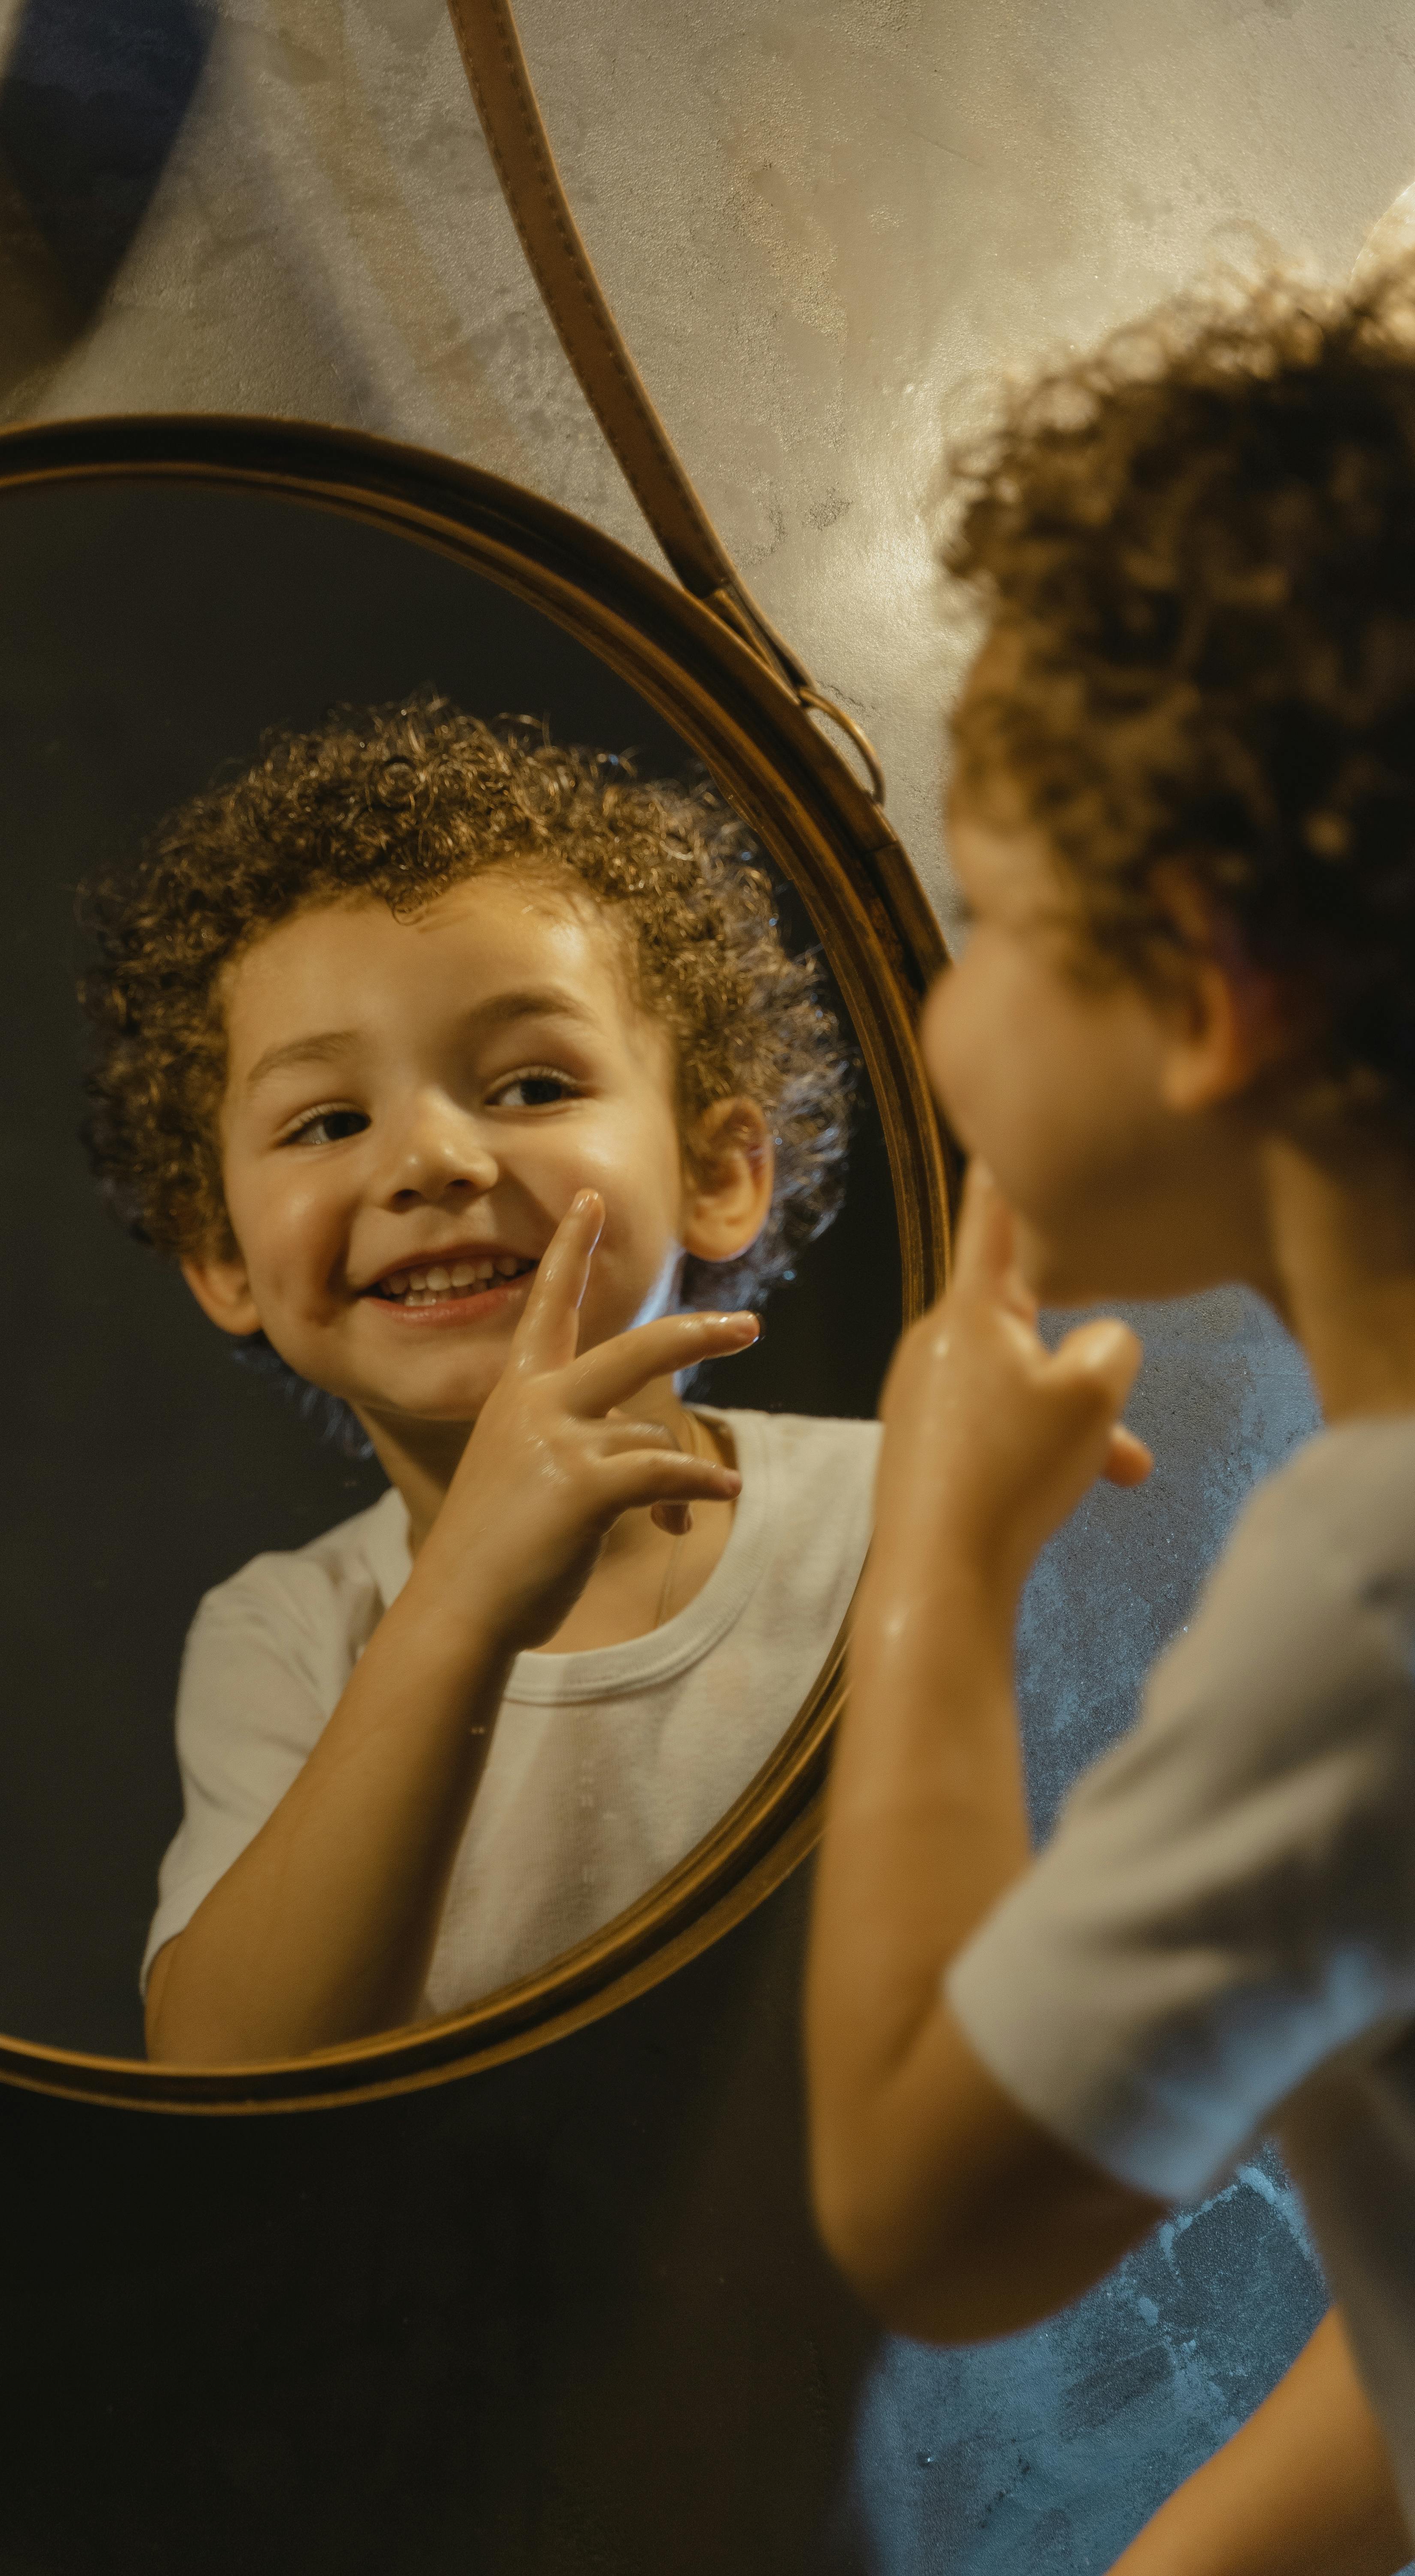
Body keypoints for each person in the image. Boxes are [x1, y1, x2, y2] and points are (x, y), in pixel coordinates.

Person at [804, 262, 1415, 2572]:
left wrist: (944, 1564)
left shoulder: (1369, 1598)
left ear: (1208, 992)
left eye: (980, 920)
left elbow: (926, 2210)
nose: (941, 1017)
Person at [80, 699, 878, 2065]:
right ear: (220, 1252)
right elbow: (225, 2075)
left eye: (529, 1085)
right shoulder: (287, 1638)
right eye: (330, 1121)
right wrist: (461, 1598)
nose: (433, 1158)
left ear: (719, 1171)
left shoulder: (894, 1508)